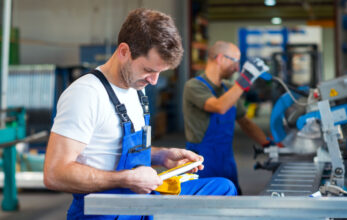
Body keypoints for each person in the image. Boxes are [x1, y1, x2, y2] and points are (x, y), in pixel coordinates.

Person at [43, 9, 236, 220]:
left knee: (223, 188)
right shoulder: (86, 95)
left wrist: (162, 155)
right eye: (149, 70)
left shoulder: (136, 86)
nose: (154, 81)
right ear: (124, 51)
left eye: (160, 72)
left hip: (139, 198)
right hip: (107, 210)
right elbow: (55, 174)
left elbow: (111, 146)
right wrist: (126, 179)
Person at [183, 41, 272, 194]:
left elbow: (245, 122)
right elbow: (219, 106)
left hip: (226, 160)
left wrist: (268, 144)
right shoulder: (194, 86)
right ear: (220, 59)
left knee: (232, 201)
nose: (237, 68)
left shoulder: (230, 89)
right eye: (235, 61)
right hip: (202, 163)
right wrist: (246, 78)